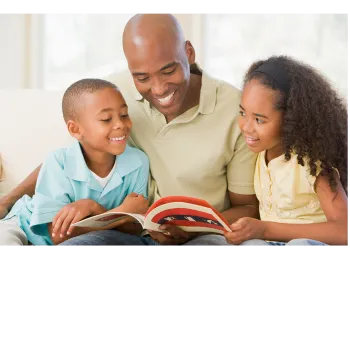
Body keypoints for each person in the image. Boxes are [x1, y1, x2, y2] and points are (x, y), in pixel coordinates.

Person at [0, 13, 259, 248]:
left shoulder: (235, 110)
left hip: (200, 236)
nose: (158, 89)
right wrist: (8, 199)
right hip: (128, 233)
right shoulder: (112, 94)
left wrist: (190, 229)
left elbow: (247, 206)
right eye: (142, 77)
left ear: (189, 53)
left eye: (169, 70)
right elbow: (69, 159)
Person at [0, 78, 152, 247]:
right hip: (22, 227)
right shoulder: (58, 162)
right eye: (106, 119)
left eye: (124, 115)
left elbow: (133, 229)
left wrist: (95, 209)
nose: (120, 124)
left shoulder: (138, 162)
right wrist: (120, 212)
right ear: (75, 129)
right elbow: (58, 235)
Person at [222, 55, 348, 247]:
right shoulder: (258, 153)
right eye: (242, 113)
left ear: (291, 119)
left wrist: (265, 229)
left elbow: (344, 231)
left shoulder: (313, 164)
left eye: (259, 120)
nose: (246, 127)